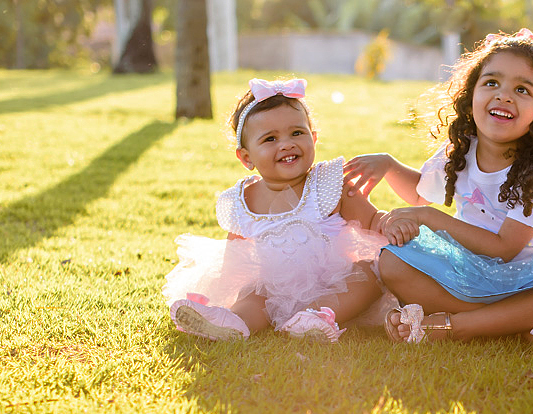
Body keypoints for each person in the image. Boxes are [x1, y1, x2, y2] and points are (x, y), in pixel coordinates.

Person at [343, 29, 533, 349]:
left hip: (532, 278)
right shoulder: (462, 149)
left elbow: (504, 247)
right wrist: (389, 165)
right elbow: (419, 193)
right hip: (470, 267)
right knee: (392, 261)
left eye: (522, 89)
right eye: (491, 83)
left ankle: (461, 326)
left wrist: (430, 217)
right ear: (471, 95)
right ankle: (517, 322)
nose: (504, 95)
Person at [164, 78, 388, 342]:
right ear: (247, 158)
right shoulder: (244, 200)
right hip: (275, 288)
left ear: (313, 138)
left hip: (334, 280)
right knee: (255, 294)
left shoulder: (328, 183)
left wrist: (391, 223)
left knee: (365, 275)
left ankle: (316, 318)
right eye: (270, 138)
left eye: (297, 133)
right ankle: (233, 322)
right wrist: (228, 287)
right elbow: (235, 257)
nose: (286, 144)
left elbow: (373, 221)